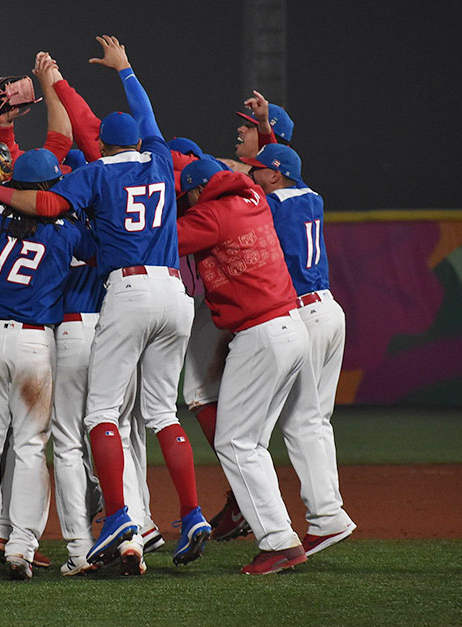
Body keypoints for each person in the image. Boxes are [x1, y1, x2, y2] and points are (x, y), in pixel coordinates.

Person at [0, 36, 209, 573]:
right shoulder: (159, 164)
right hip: (175, 293)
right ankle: (188, 513)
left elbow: (53, 201)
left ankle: (116, 520)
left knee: (88, 427)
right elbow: (143, 116)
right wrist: (125, 70)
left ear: (100, 145)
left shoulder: (90, 179)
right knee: (155, 415)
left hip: (107, 305)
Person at [0, 101, 96, 579]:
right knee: (30, 448)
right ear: (52, 186)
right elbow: (95, 238)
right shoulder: (67, 230)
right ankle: (20, 548)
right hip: (36, 343)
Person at [175, 157, 310, 575]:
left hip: (262, 334)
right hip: (290, 328)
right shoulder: (251, 196)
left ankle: (278, 543)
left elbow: (160, 240)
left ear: (198, 191)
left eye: (187, 197)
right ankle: (282, 537)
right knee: (249, 445)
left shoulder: (212, 213)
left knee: (235, 443)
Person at [242, 143, 356, 555]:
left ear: (274, 176)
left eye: (259, 170)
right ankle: (329, 513)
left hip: (304, 315)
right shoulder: (313, 198)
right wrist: (271, 133)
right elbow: (288, 170)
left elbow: (251, 200)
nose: (253, 174)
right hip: (330, 310)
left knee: (301, 422)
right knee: (316, 420)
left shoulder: (272, 207)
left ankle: (327, 517)